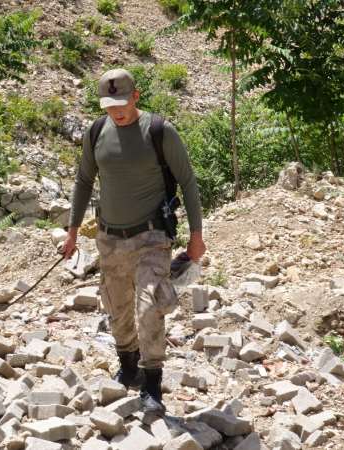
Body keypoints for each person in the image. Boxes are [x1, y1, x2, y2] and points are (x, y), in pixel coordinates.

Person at [61, 68, 206, 414]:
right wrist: (72, 230)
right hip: (109, 238)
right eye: (110, 105)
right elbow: (83, 180)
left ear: (136, 97)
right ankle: (128, 367)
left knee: (150, 305)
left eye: (122, 103)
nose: (117, 111)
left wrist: (197, 236)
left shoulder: (159, 131)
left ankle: (152, 382)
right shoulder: (96, 132)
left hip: (151, 237)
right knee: (117, 307)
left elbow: (188, 182)